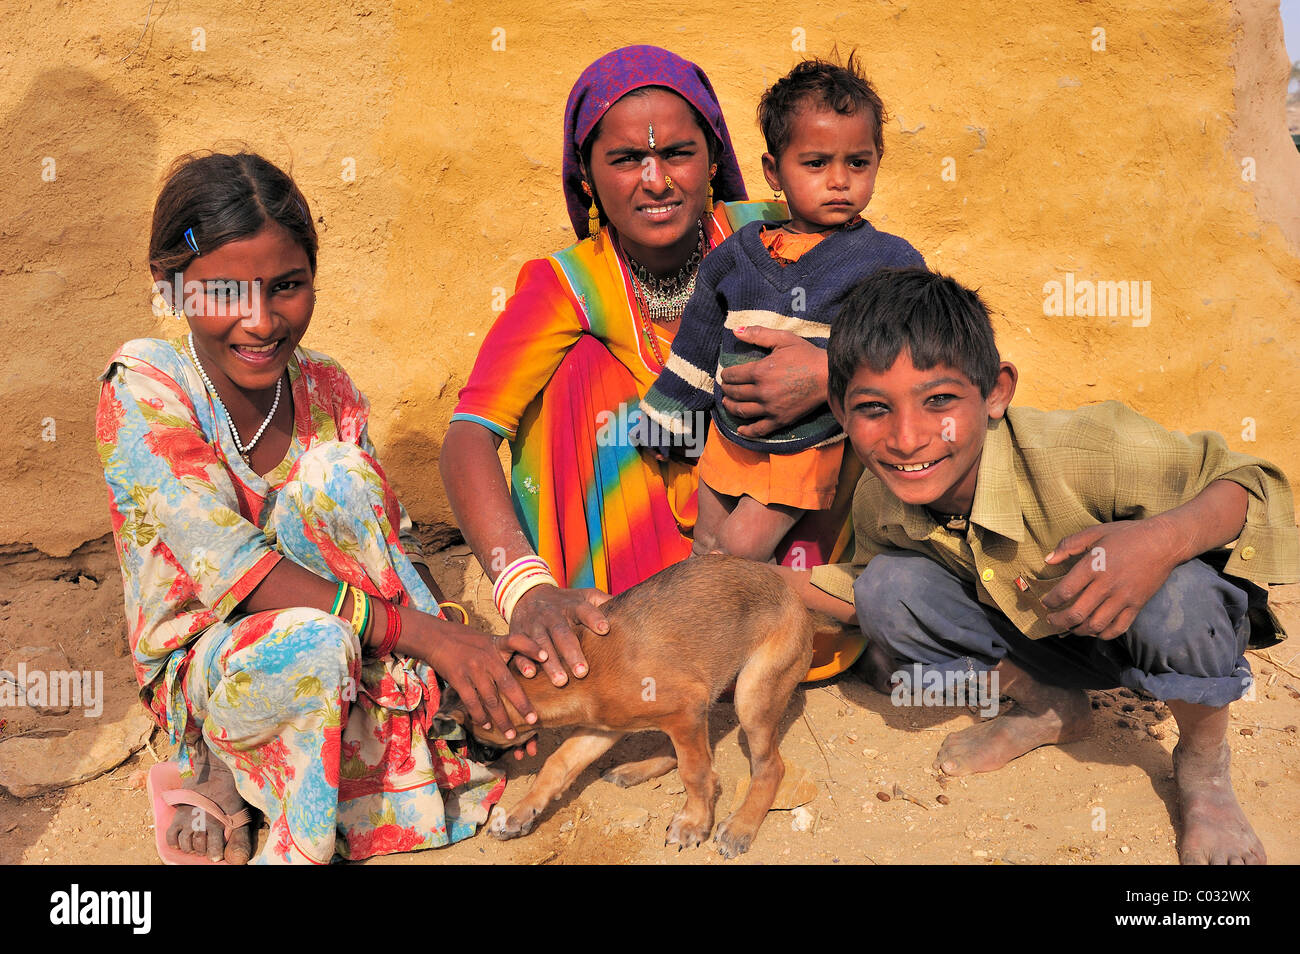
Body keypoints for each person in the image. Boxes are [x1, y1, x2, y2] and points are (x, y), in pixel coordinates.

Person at [98, 152, 547, 864]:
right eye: (223, 294)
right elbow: (230, 568)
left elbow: (386, 544)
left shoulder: (327, 385)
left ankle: (356, 742)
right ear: (171, 289)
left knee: (339, 476)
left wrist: (457, 651)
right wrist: (428, 639)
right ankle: (219, 767)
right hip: (213, 655)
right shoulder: (147, 384)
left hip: (350, 635)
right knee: (313, 647)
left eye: (287, 287)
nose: (260, 321)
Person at [787, 266, 1298, 864]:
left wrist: (1159, 543)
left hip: (1150, 636)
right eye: (874, 408)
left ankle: (1205, 768)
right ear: (840, 410)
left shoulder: (1085, 450)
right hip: (1041, 643)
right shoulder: (884, 495)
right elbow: (870, 585)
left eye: (940, 402)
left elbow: (1255, 483)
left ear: (997, 392)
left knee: (1180, 594)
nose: (907, 438)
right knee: (888, 588)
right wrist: (765, 585)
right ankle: (1049, 705)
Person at [442, 46, 868, 684]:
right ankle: (628, 634)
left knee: (864, 360)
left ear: (715, 159)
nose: (656, 180)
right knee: (579, 368)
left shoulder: (783, 233)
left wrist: (826, 370)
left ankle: (801, 614)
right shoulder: (565, 285)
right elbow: (468, 438)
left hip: (784, 511)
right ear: (586, 177)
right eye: (625, 160)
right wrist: (523, 591)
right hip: (639, 570)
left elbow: (911, 327)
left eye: (677, 154)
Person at [632, 55, 923, 561]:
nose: (839, 181)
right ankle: (710, 640)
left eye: (858, 162)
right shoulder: (738, 256)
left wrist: (832, 367)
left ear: (878, 160)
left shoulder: (889, 261)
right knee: (706, 545)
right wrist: (670, 415)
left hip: (805, 442)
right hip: (730, 433)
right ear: (774, 170)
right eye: (816, 164)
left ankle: (756, 636)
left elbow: (917, 346)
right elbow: (699, 340)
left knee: (743, 551)